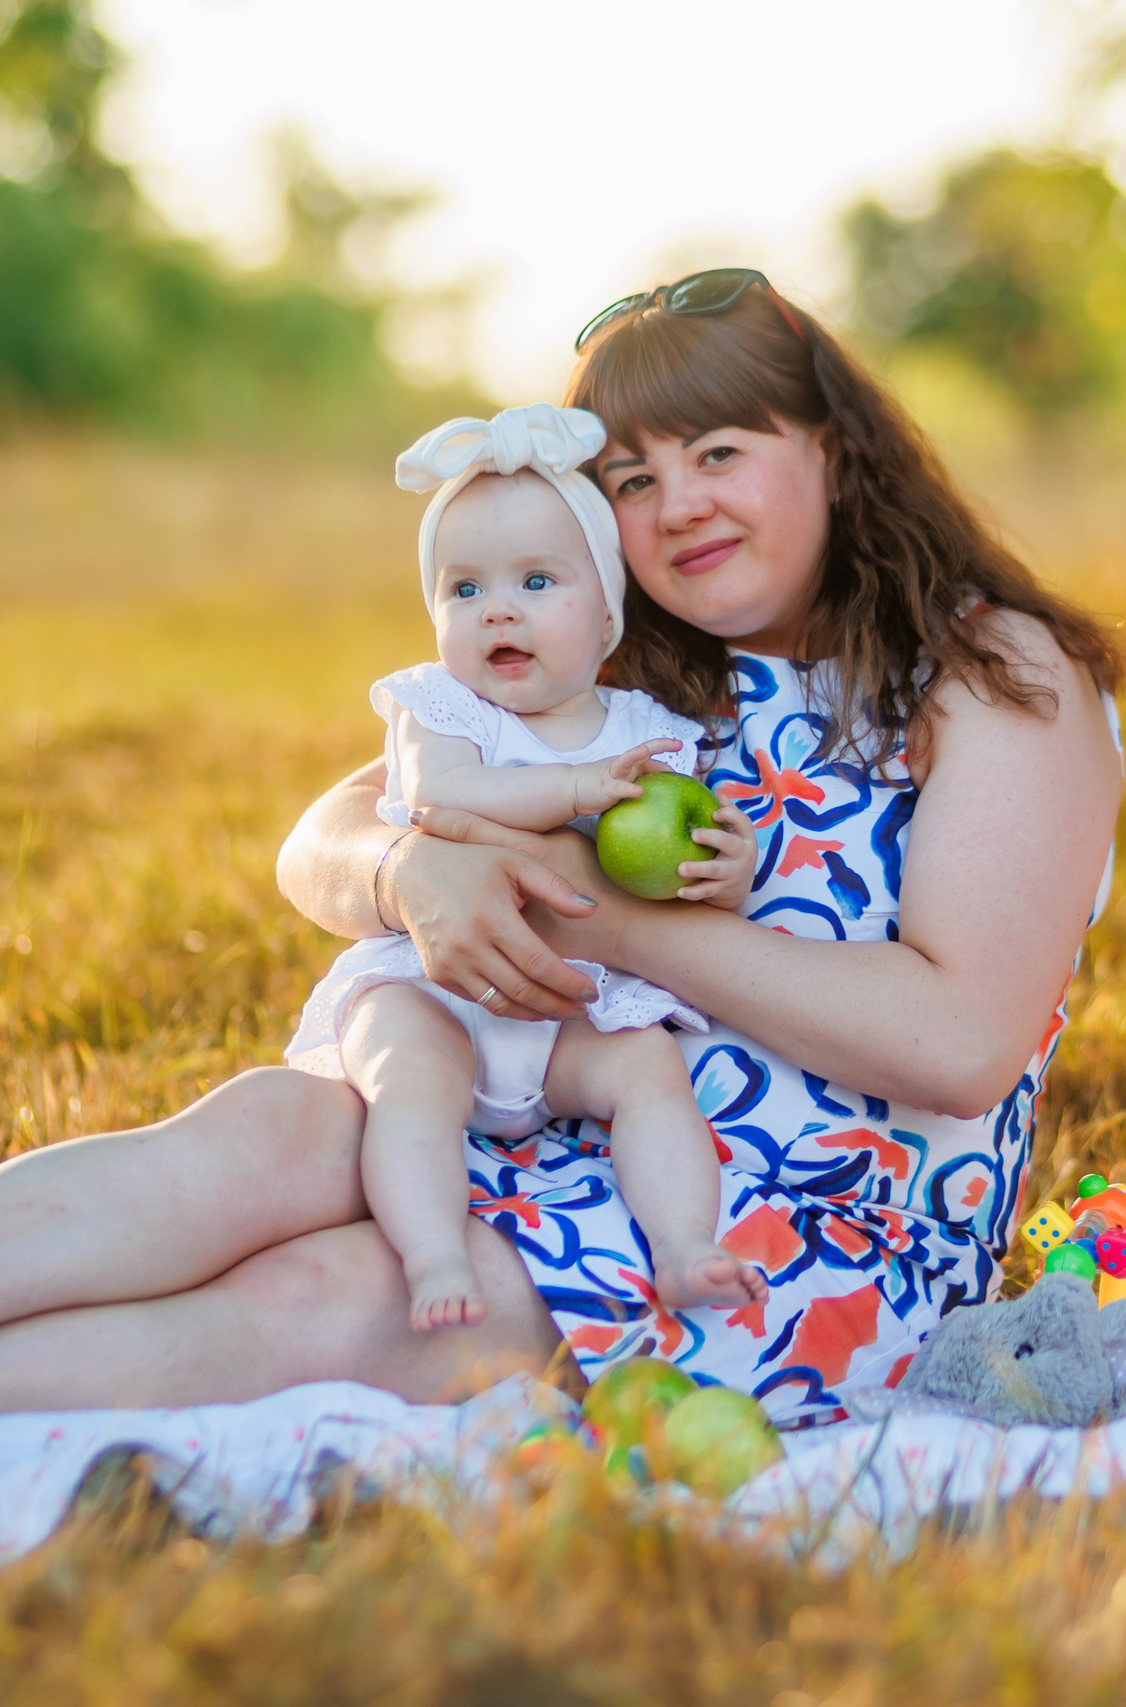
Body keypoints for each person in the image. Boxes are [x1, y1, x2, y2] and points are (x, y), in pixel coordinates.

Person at [0, 269, 1125, 1499]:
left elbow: (965, 1035)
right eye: (631, 476)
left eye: (722, 453)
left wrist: (611, 923)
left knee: (331, 1297)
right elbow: (323, 834)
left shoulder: (1000, 678)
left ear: (835, 445)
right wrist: (408, 873)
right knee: (268, 1126)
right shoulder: (638, 670)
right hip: (554, 1105)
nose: (675, 507)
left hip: (780, 1244)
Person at [283, 401, 765, 1330]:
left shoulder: (645, 733)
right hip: (437, 988)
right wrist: (580, 790)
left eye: (537, 580)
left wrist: (721, 866)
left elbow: (656, 876)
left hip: (566, 1004)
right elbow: (444, 803)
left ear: (608, 616)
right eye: (463, 590)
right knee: (409, 1081)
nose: (496, 607)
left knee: (650, 1073)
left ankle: (683, 1246)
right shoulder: (443, 711)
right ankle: (432, 1256)